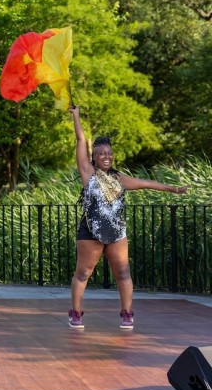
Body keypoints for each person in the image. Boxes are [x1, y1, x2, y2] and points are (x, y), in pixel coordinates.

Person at [68, 105, 188, 330]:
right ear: (94, 157)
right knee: (83, 273)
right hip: (90, 231)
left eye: (109, 153)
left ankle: (127, 313)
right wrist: (77, 116)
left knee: (123, 272)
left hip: (116, 232)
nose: (106, 156)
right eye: (102, 153)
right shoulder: (88, 172)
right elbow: (80, 140)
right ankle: (75, 313)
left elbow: (147, 184)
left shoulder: (119, 179)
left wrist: (174, 189)